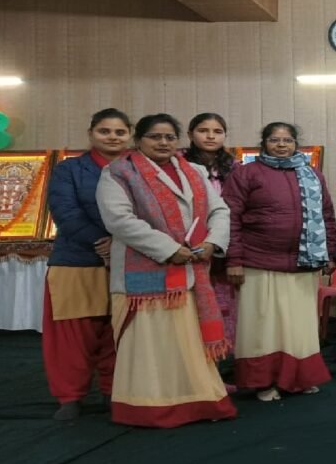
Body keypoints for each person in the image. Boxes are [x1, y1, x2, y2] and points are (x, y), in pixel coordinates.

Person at [96, 113, 235, 427]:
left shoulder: (194, 171)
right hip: (145, 276)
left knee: (188, 344)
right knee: (151, 346)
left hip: (192, 270)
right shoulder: (118, 172)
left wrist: (212, 242)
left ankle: (198, 401)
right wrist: (169, 250)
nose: (163, 143)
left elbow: (219, 211)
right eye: (155, 137)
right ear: (138, 140)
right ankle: (149, 408)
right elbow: (119, 220)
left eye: (169, 137)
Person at [223, 122, 336, 401]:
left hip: (303, 263)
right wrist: (234, 260)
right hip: (258, 261)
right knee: (263, 327)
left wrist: (330, 253)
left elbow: (326, 215)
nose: (282, 145)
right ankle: (264, 382)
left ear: (296, 143)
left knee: (300, 328)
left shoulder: (312, 174)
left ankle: (299, 378)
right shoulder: (246, 173)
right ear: (263, 143)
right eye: (275, 140)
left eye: (287, 140)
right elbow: (230, 218)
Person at [43, 108, 131, 420]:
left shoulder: (138, 168)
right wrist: (102, 242)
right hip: (76, 262)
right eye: (105, 131)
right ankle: (70, 397)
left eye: (120, 132)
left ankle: (113, 391)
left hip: (129, 261)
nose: (113, 137)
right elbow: (65, 211)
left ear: (129, 136)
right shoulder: (69, 170)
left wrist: (120, 244)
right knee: (72, 335)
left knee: (120, 331)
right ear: (91, 134)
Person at [182, 113, 240, 392]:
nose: (210, 136)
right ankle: (195, 374)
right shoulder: (179, 165)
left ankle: (218, 370)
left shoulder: (236, 168)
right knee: (193, 313)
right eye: (203, 130)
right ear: (190, 134)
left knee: (224, 312)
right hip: (187, 248)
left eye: (217, 131)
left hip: (225, 248)